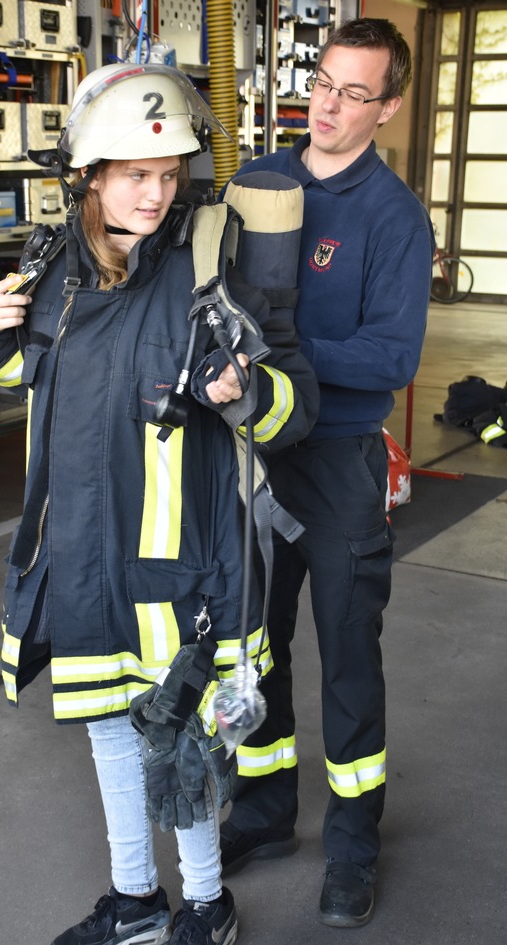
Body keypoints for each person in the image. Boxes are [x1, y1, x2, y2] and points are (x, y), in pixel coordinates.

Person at [0, 63, 319, 945]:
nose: (155, 193)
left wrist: (243, 389)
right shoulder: (55, 269)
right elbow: (27, 383)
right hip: (82, 556)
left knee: (181, 748)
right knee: (110, 738)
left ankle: (206, 903)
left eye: (168, 174)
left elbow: (293, 405)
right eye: (133, 174)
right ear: (90, 176)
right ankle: (136, 901)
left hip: (180, 569)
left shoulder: (211, 262)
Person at [218, 18, 435, 928]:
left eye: (354, 93)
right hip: (250, 456)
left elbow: (389, 357)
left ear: (387, 108)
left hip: (339, 463)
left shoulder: (395, 219)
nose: (328, 104)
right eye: (323, 81)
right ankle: (265, 813)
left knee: (350, 659)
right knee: (254, 647)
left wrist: (282, 351)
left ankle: (352, 844)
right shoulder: (258, 180)